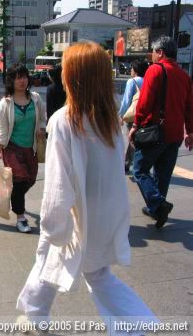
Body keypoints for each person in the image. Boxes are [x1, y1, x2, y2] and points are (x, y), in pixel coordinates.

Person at [16, 42, 158, 335]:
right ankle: (35, 314)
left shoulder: (64, 121)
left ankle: (137, 324)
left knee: (81, 269)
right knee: (67, 265)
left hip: (75, 213)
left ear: (72, 76)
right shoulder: (109, 122)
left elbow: (58, 184)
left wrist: (53, 225)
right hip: (105, 213)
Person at [129, 36, 193, 229]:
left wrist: (136, 125)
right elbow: (189, 107)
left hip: (156, 132)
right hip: (175, 135)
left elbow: (145, 103)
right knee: (162, 175)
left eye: (153, 52)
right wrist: (190, 131)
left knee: (139, 170)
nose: (152, 56)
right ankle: (157, 210)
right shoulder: (184, 76)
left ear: (160, 52)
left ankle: (157, 204)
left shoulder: (155, 70)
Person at [0, 63, 46, 233]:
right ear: (11, 81)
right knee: (20, 180)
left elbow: (43, 117)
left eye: (24, 76)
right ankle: (21, 218)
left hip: (31, 148)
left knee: (30, 179)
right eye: (17, 77)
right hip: (12, 148)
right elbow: (2, 130)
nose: (22, 80)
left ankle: (14, 195)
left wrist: (42, 128)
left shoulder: (35, 98)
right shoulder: (5, 103)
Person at [118, 60, 148, 173]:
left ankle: (133, 165)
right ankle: (130, 164)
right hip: (144, 115)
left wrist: (120, 115)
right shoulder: (147, 80)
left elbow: (126, 101)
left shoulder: (132, 81)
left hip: (132, 115)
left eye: (131, 68)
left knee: (130, 140)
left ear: (135, 70)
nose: (130, 70)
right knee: (137, 140)